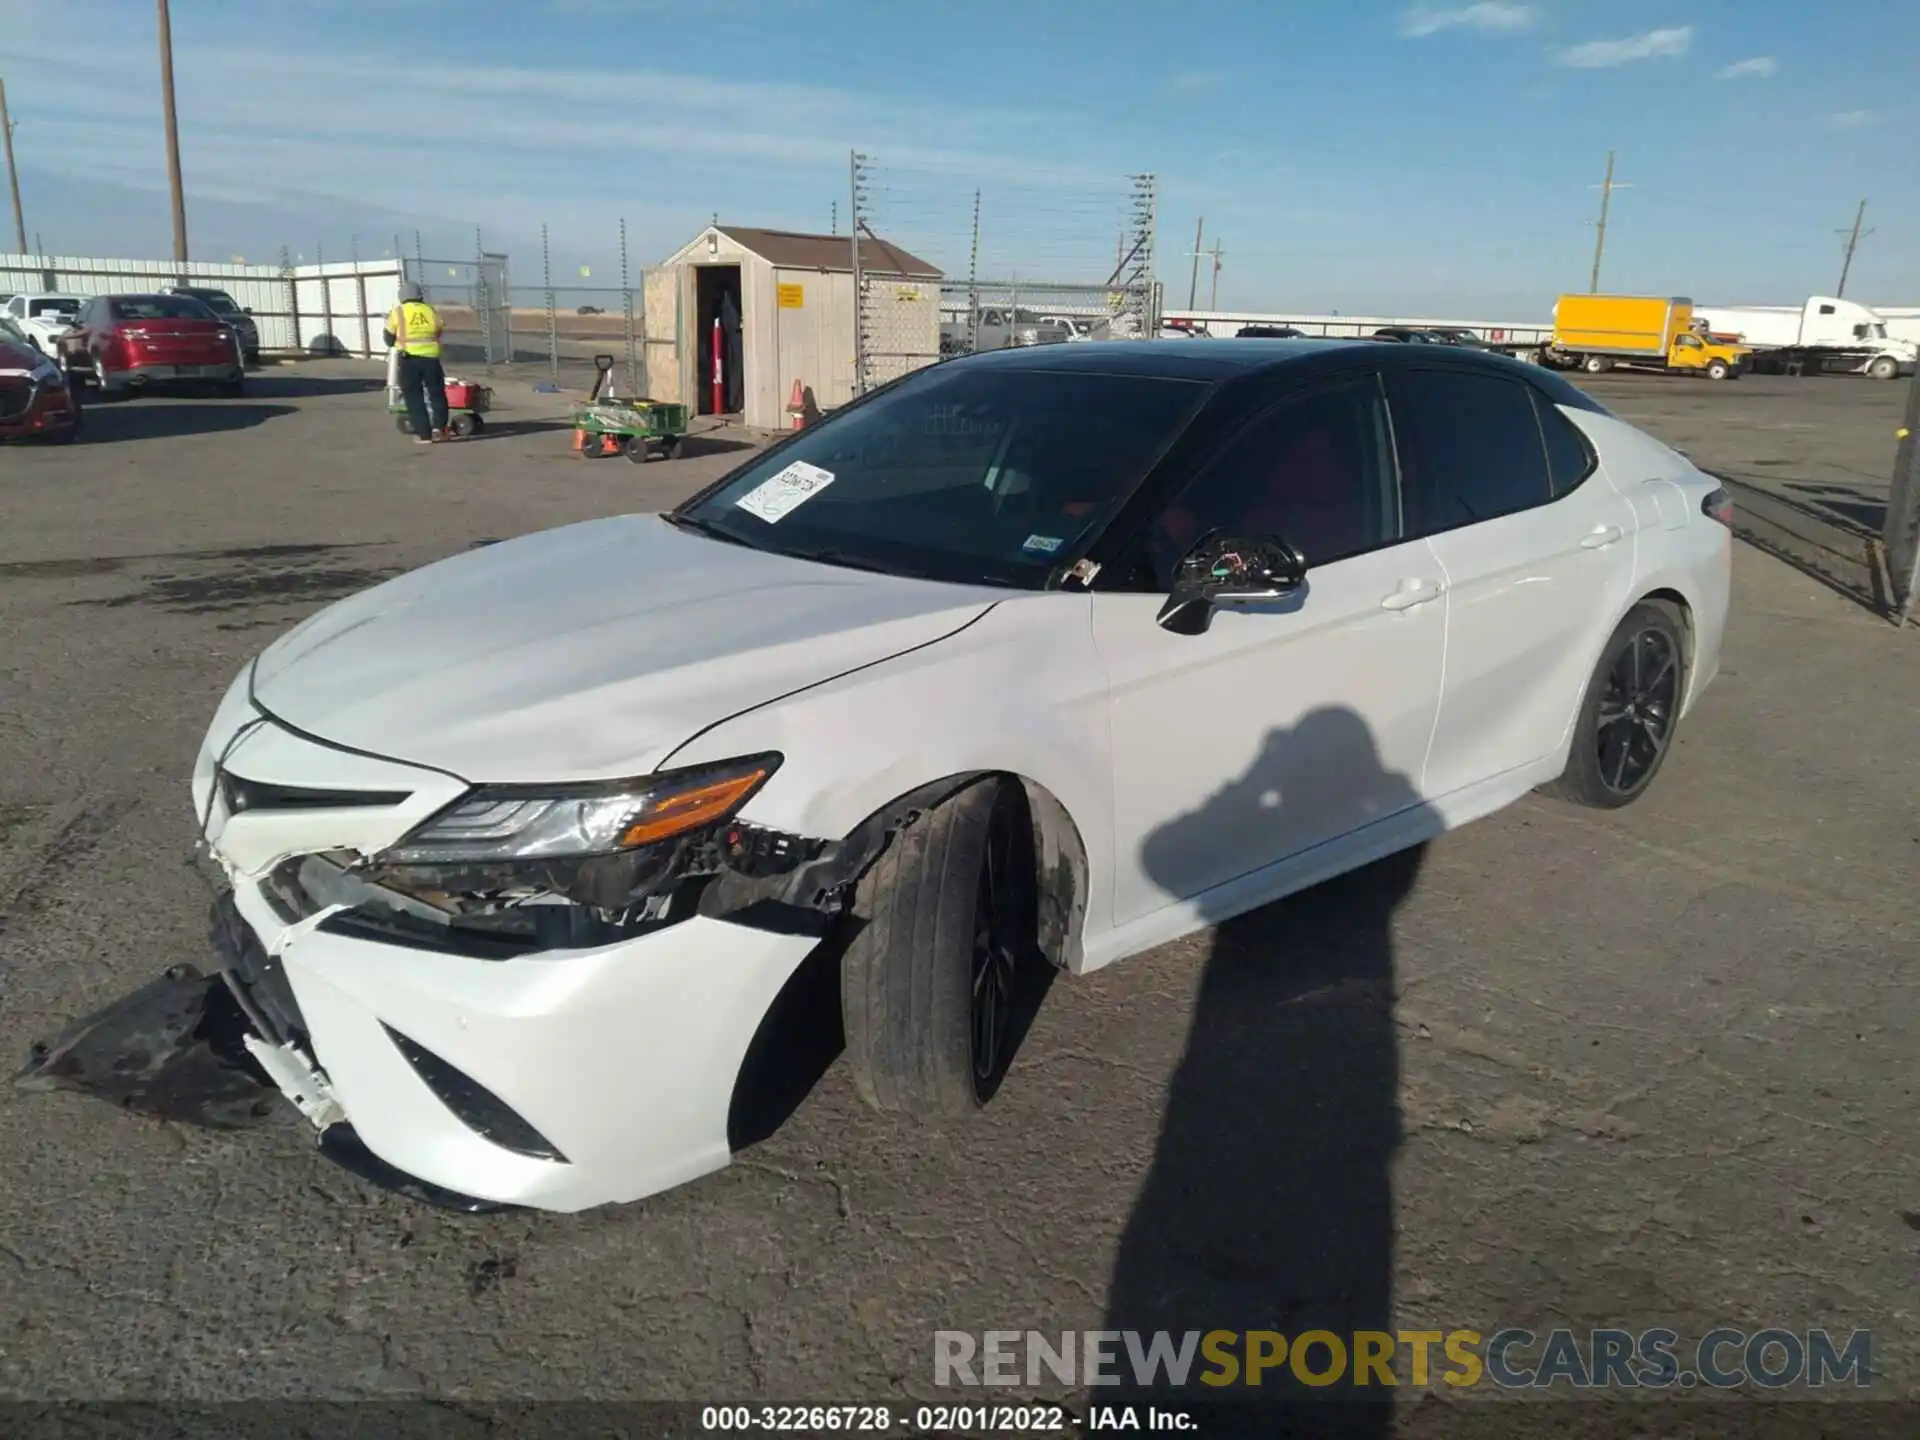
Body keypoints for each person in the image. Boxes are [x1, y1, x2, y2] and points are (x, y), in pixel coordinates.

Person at [384, 281, 448, 444]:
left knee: (414, 397)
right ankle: (439, 429)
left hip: (409, 359)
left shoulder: (398, 312)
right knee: (437, 394)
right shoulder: (430, 310)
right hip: (432, 358)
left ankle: (425, 434)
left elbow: (388, 338)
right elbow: (439, 329)